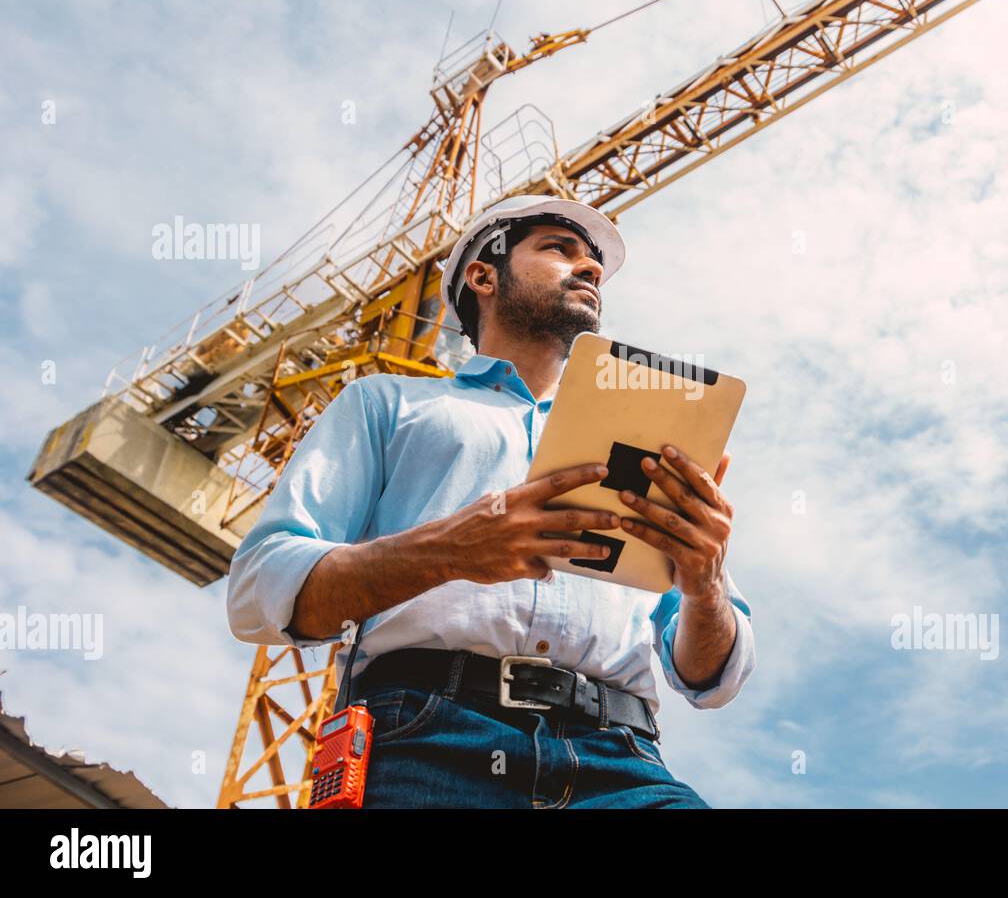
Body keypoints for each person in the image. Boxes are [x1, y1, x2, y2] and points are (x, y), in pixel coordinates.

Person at [226, 194, 756, 808]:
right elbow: (257, 592)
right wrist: (446, 553)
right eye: (560, 249)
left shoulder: (646, 442)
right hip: (427, 742)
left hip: (620, 761)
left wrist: (705, 583)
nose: (589, 269)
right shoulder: (387, 403)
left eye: (596, 265)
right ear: (483, 275)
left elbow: (710, 678)